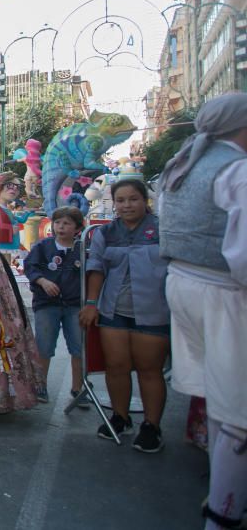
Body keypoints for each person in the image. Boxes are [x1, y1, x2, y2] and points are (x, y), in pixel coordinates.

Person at [158, 92, 247, 529]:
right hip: (224, 293)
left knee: (221, 401)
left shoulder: (183, 166)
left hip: (183, 284)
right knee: (238, 409)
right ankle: (224, 511)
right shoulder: (236, 170)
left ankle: (224, 494)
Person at [80, 179, 169, 451]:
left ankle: (152, 427)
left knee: (149, 370)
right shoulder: (105, 233)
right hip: (113, 310)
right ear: (114, 203)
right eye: (121, 200)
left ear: (145, 201)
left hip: (154, 312)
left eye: (133, 199)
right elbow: (96, 268)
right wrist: (92, 303)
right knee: (116, 367)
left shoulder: (163, 230)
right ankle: (120, 417)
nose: (127, 205)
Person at [23, 206, 86, 406]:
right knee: (44, 346)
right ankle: (41, 385)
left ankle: (78, 388)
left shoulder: (83, 249)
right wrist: (42, 281)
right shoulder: (43, 247)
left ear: (77, 228)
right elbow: (30, 267)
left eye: (67, 223)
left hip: (75, 305)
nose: (61, 227)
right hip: (46, 305)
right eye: (58, 222)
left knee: (78, 348)